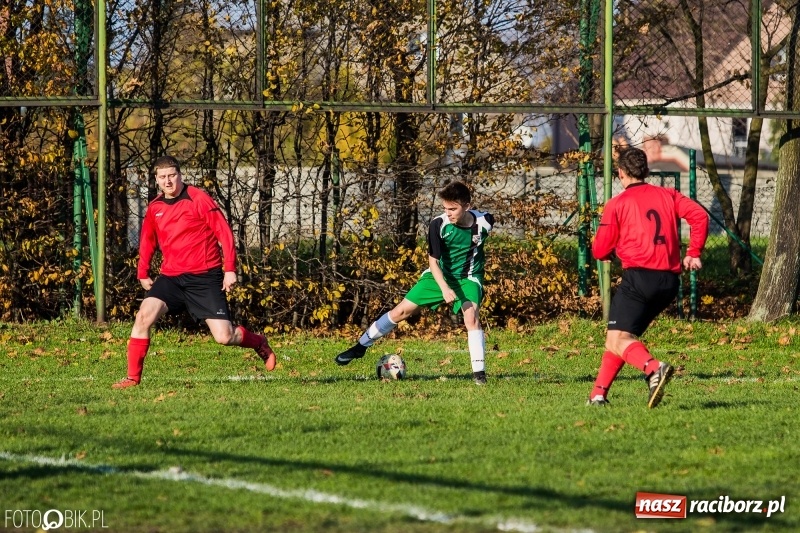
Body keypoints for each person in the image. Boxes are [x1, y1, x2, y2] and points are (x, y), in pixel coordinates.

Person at [112, 156, 276, 389]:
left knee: (224, 337)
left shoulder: (198, 199)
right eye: (162, 177)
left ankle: (259, 342)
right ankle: (132, 378)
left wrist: (230, 269)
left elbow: (224, 233)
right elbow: (148, 240)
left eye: (172, 176)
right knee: (143, 317)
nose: (168, 181)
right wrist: (143, 272)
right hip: (171, 277)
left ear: (180, 175)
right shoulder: (155, 207)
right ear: (156, 180)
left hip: (204, 277)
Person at [334, 181, 495, 385]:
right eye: (445, 208)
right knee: (400, 312)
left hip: (468, 278)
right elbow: (433, 262)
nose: (448, 213)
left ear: (467, 206)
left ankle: (479, 377)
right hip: (439, 276)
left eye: (453, 209)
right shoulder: (439, 224)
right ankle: (360, 347)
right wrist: (444, 288)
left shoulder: (485, 222)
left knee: (471, 317)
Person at [588, 147, 708, 408]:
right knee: (621, 337)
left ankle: (654, 368)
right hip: (668, 283)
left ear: (620, 173)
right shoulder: (668, 195)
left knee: (617, 338)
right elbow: (699, 215)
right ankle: (597, 396)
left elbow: (599, 249)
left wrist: (607, 251)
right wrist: (694, 251)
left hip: (639, 279)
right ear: (646, 171)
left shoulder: (617, 203)